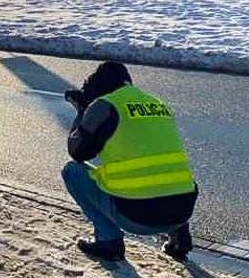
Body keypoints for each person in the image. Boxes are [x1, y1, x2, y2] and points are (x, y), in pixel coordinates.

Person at [62, 61, 198, 262]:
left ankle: (108, 241)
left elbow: (77, 151)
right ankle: (180, 237)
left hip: (137, 217)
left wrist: (83, 111)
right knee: (167, 177)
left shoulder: (104, 106)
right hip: (182, 210)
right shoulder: (158, 103)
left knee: (72, 172)